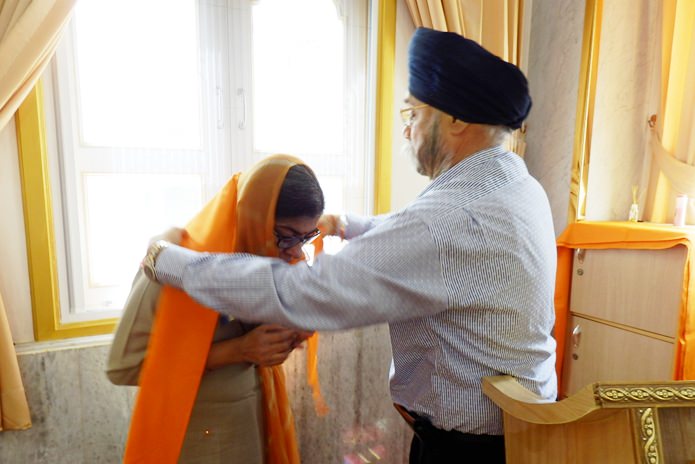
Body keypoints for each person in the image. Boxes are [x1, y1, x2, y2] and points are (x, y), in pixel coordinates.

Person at [142, 28, 557, 463]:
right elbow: (426, 242)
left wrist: (172, 261)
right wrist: (343, 224)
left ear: (456, 121)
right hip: (524, 436)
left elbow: (302, 292)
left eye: (413, 114)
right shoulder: (514, 184)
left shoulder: (448, 219)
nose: (407, 130)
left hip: (470, 452)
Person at [107, 154, 324, 463]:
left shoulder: (273, 263)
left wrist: (288, 331)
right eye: (286, 236)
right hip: (197, 441)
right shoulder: (176, 269)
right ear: (254, 218)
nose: (296, 251)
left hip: (252, 428)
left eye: (306, 237)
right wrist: (238, 350)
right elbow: (122, 367)